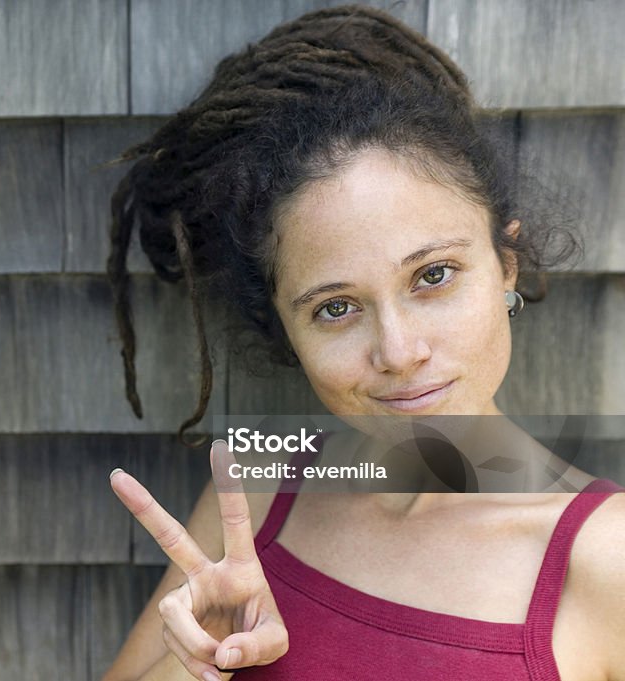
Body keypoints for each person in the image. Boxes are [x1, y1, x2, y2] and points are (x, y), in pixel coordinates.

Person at [101, 5, 625, 681]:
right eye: (336, 308)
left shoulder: (606, 557)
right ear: (285, 332)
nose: (399, 350)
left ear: (507, 265)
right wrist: (203, 661)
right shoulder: (258, 493)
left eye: (433, 275)